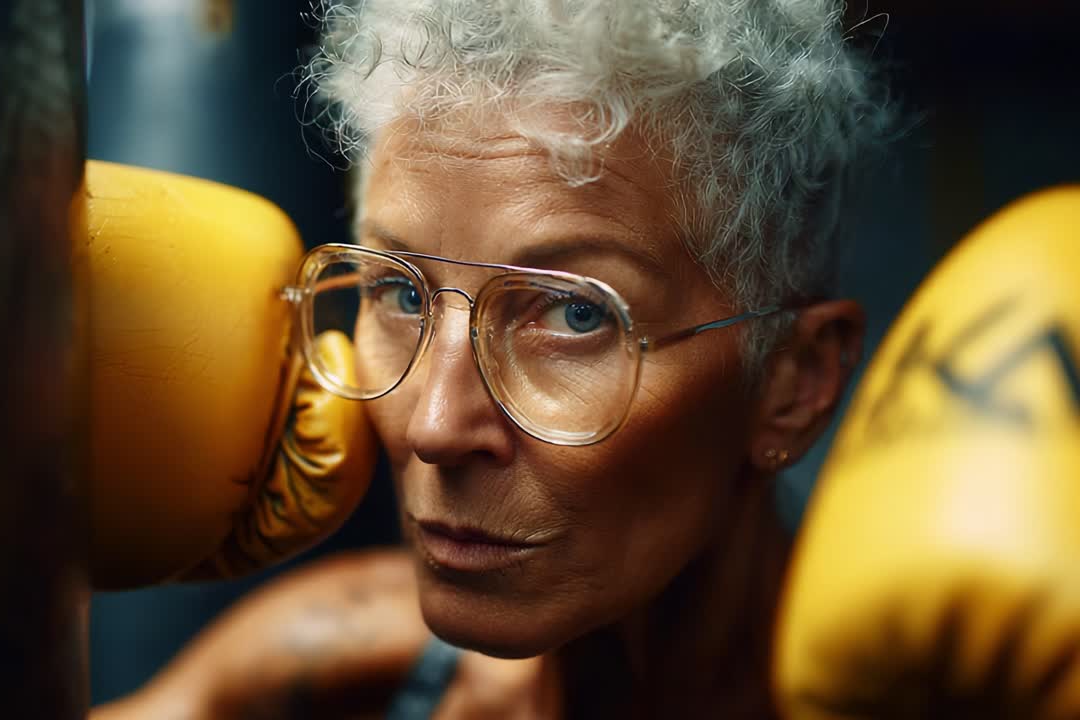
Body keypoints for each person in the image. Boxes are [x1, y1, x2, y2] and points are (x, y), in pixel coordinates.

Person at [93, 0, 891, 716]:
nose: (434, 428)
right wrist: (32, 542)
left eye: (575, 313)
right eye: (401, 294)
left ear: (795, 379)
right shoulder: (323, 672)